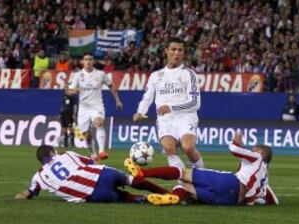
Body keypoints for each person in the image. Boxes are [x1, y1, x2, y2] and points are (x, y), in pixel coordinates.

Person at [124, 131, 279, 206]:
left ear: (261, 152)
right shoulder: (264, 177)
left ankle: (142, 172)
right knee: (187, 188)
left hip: (231, 183)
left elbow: (233, 148)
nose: (252, 150)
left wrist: (237, 141)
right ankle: (174, 198)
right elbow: (274, 200)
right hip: (231, 201)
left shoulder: (257, 157)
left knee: (183, 174)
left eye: (254, 148)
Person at [133, 37, 203, 170]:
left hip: (185, 116)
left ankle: (203, 175)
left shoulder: (189, 74)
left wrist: (171, 107)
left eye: (180, 50)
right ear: (166, 51)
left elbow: (196, 103)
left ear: (183, 53)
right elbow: (147, 97)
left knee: (188, 147)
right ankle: (184, 182)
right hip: (165, 119)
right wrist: (141, 112)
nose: (176, 53)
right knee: (169, 148)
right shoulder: (156, 76)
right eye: (173, 49)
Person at [15, 145, 169, 203]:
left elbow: (27, 194)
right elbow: (91, 162)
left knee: (123, 197)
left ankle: (145, 199)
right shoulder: (65, 154)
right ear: (52, 152)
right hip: (102, 173)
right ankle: (166, 192)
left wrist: (16, 197)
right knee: (131, 180)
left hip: (93, 194)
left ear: (42, 161)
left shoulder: (39, 176)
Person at [67, 53, 123, 160]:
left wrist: (118, 101)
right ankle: (93, 154)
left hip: (97, 106)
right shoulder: (78, 75)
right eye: (86, 59)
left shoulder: (101, 74)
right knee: (87, 136)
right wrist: (74, 91)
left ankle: (102, 151)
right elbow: (70, 90)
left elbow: (111, 86)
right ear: (82, 62)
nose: (88, 62)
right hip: (84, 108)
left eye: (90, 59)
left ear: (93, 62)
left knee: (99, 123)